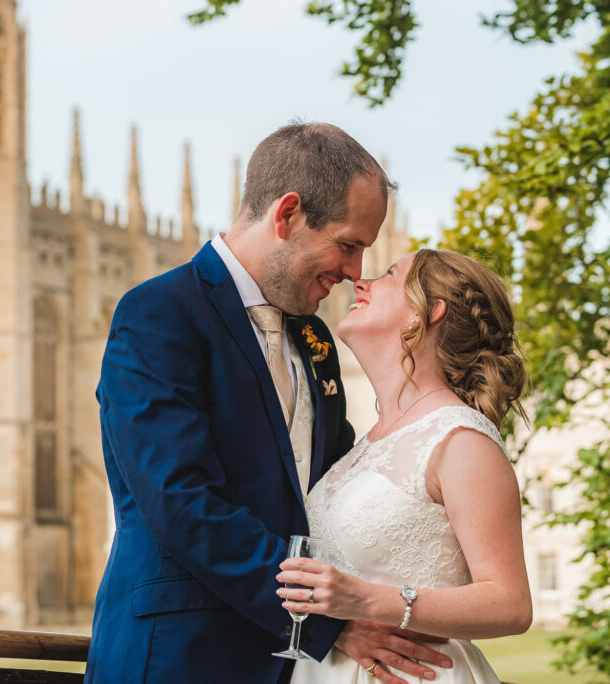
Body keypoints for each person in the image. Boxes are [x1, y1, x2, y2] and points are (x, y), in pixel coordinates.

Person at [85, 124, 454, 683]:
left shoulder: (315, 340)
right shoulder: (159, 315)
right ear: (286, 216)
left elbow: (334, 489)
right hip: (180, 657)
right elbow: (182, 503)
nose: (355, 272)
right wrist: (327, 624)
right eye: (348, 245)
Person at [276, 249, 533, 683]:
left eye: (388, 275)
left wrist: (364, 600)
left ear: (427, 313)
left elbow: (511, 604)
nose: (360, 283)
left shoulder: (460, 438)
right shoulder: (362, 444)